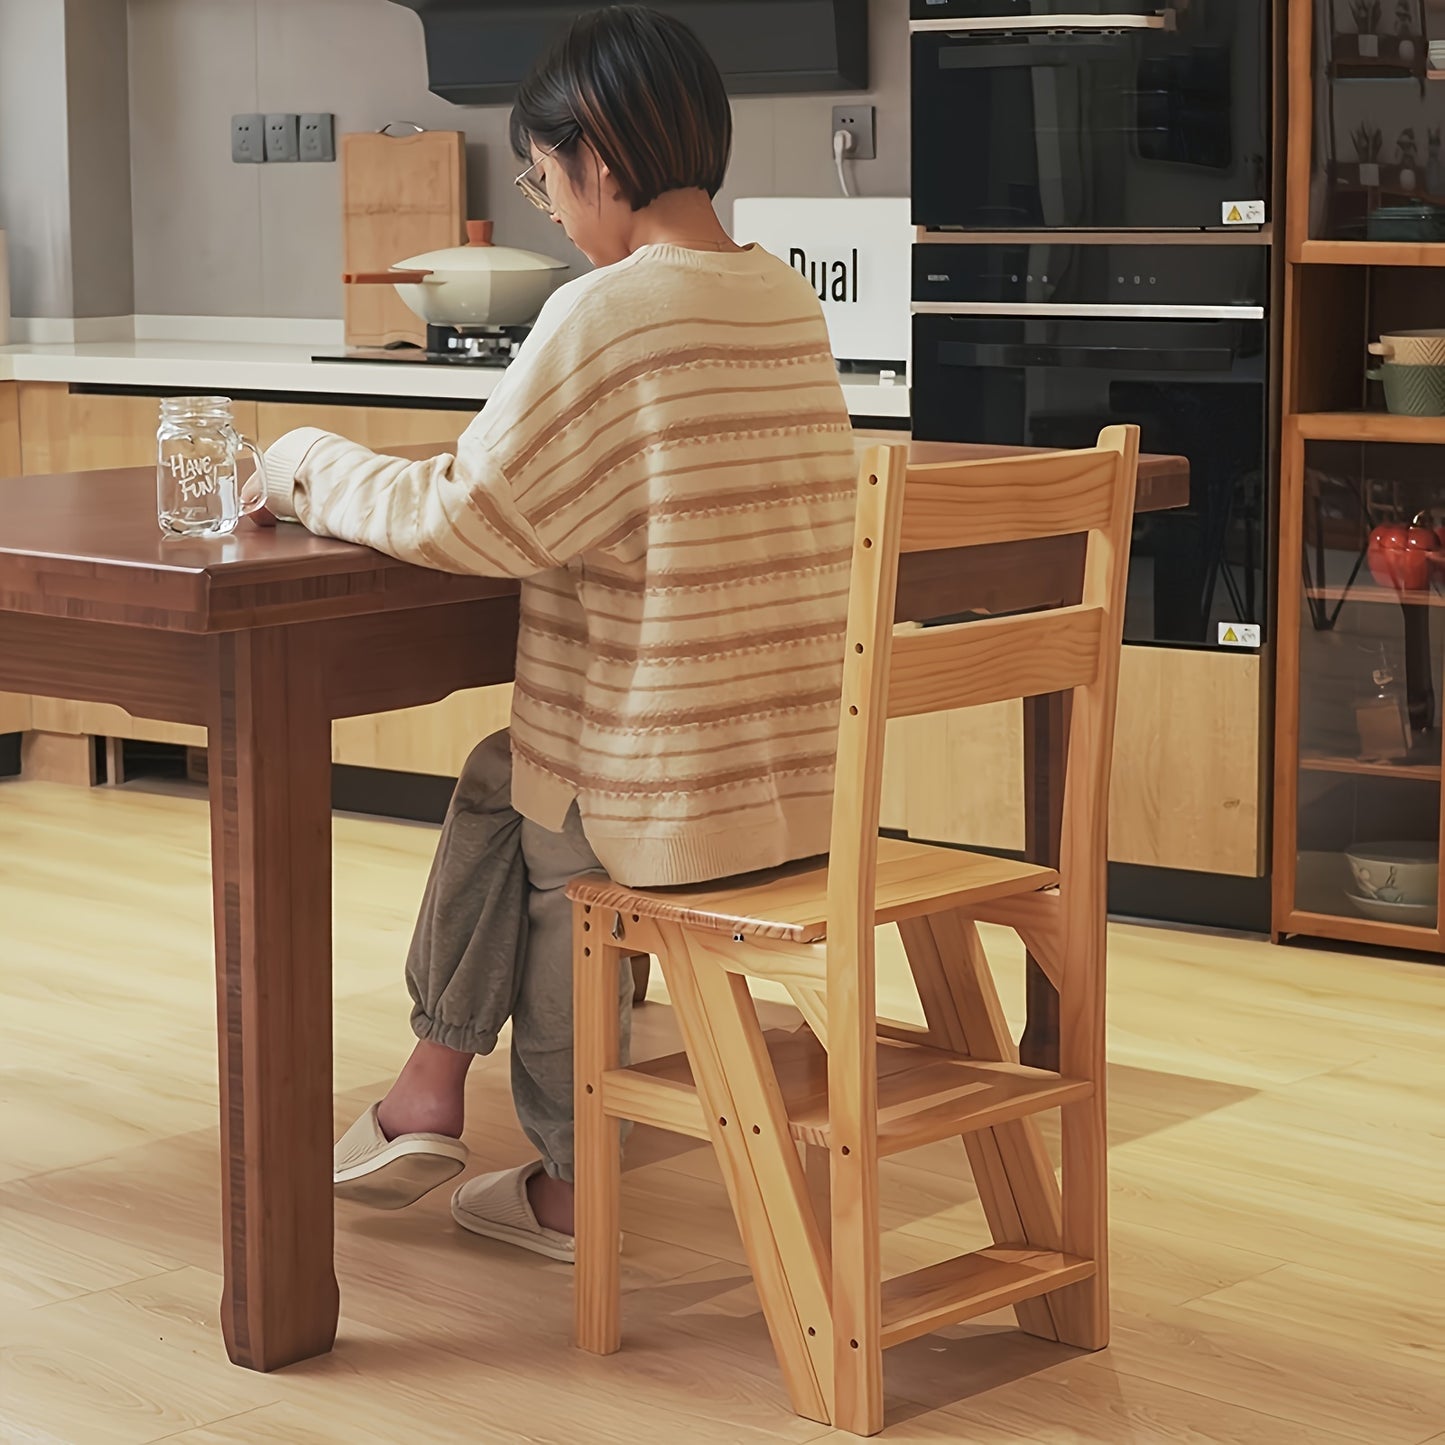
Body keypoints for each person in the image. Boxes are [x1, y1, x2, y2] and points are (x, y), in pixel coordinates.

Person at [261, 4, 855, 1262]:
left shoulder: (609, 311)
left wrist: (303, 459)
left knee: (545, 817)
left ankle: (570, 1178)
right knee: (508, 776)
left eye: (543, 183)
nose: (555, 212)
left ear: (595, 150)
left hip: (670, 797)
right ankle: (427, 1088)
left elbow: (468, 514)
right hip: (797, 781)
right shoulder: (786, 305)